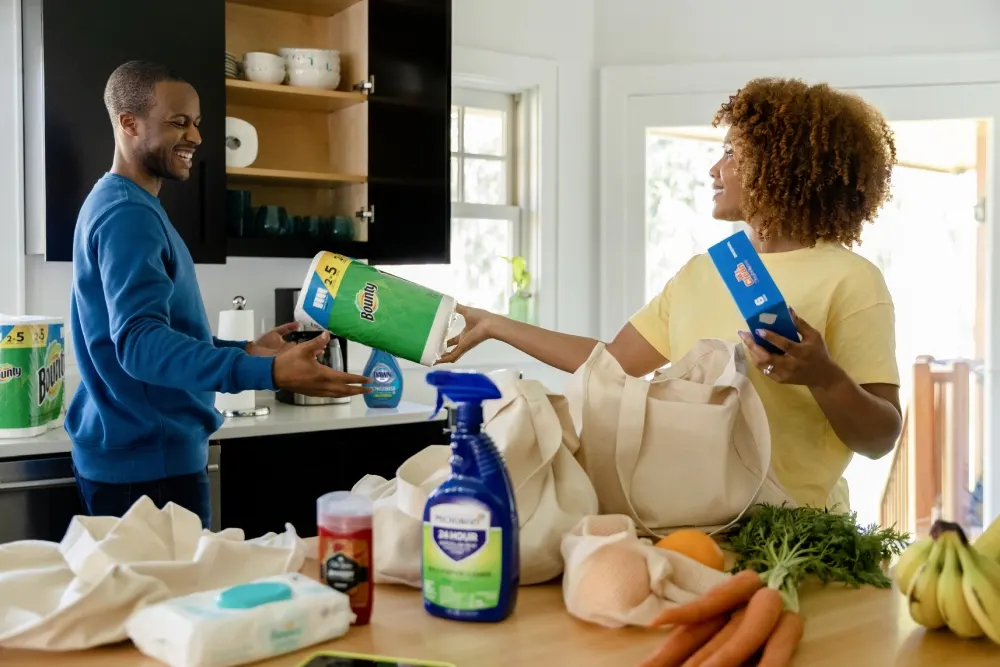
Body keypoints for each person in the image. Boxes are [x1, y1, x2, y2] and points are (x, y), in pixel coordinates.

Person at [441, 77, 903, 511]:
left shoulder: (852, 280)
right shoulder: (705, 272)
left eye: (732, 154)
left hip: (800, 536)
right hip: (694, 523)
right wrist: (496, 325)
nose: (714, 169)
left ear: (786, 165)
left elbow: (881, 439)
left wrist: (825, 377)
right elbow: (611, 362)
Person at [68, 61, 371, 528]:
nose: (196, 137)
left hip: (138, 456)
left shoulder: (120, 204)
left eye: (197, 123)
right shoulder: (128, 215)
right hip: (151, 468)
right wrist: (264, 369)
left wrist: (242, 349)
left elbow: (149, 335)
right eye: (178, 122)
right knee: (176, 600)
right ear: (129, 123)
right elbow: (139, 343)